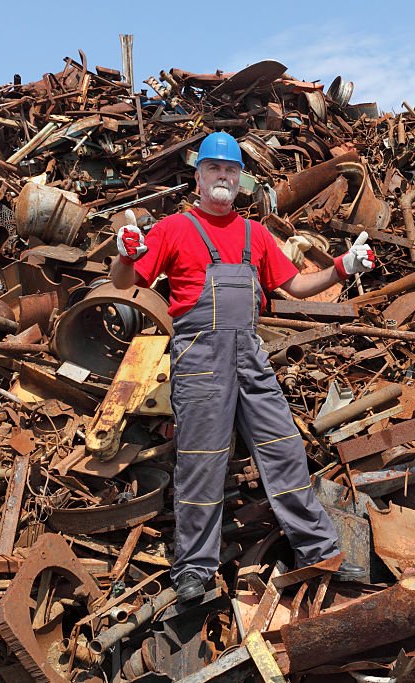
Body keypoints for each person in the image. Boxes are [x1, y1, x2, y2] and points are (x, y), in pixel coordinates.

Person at [110, 131, 376, 601]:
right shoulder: (174, 228)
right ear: (198, 176)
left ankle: (317, 550)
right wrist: (125, 254)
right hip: (199, 358)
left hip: (250, 357)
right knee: (201, 464)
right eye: (214, 168)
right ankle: (194, 568)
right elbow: (125, 282)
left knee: (285, 451)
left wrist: (343, 266)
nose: (223, 177)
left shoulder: (256, 234)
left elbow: (295, 286)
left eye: (231, 170)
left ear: (241, 180)